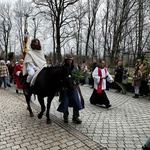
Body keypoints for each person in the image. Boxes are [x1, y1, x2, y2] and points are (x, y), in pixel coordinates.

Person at [57, 54, 84, 124]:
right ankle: (65, 116)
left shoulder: (75, 67)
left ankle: (75, 117)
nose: (69, 61)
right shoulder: (63, 68)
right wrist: (62, 85)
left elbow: (77, 76)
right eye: (68, 59)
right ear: (66, 60)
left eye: (71, 59)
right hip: (65, 88)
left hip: (73, 88)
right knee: (65, 102)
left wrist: (76, 82)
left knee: (76, 102)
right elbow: (60, 78)